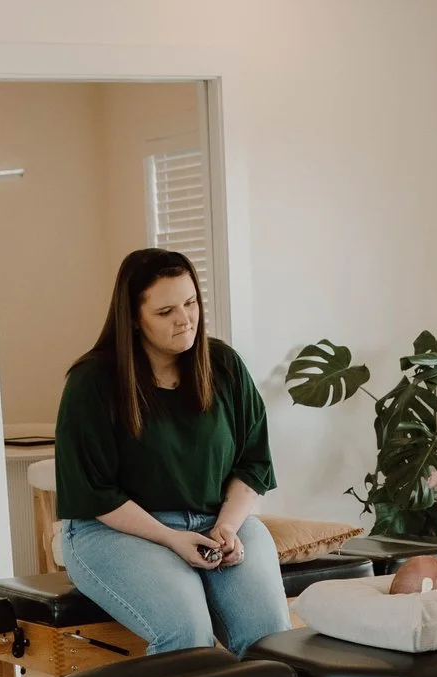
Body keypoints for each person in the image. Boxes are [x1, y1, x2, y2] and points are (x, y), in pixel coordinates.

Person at [52, 247, 288, 655]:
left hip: (217, 520)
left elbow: (253, 463)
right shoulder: (92, 382)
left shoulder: (224, 365)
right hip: (114, 531)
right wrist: (171, 538)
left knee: (272, 642)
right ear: (133, 318)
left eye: (191, 303)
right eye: (165, 312)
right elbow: (95, 493)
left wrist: (228, 527)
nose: (185, 319)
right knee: (187, 635)